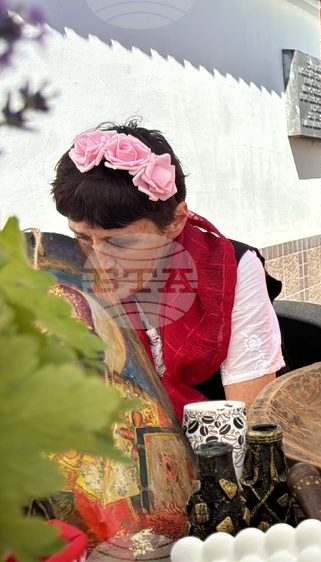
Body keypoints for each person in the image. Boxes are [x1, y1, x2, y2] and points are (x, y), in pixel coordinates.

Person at [50, 121, 284, 420]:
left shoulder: (228, 270)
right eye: (82, 237)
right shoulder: (68, 273)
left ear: (175, 222)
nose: (98, 263)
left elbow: (251, 421)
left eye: (120, 242)